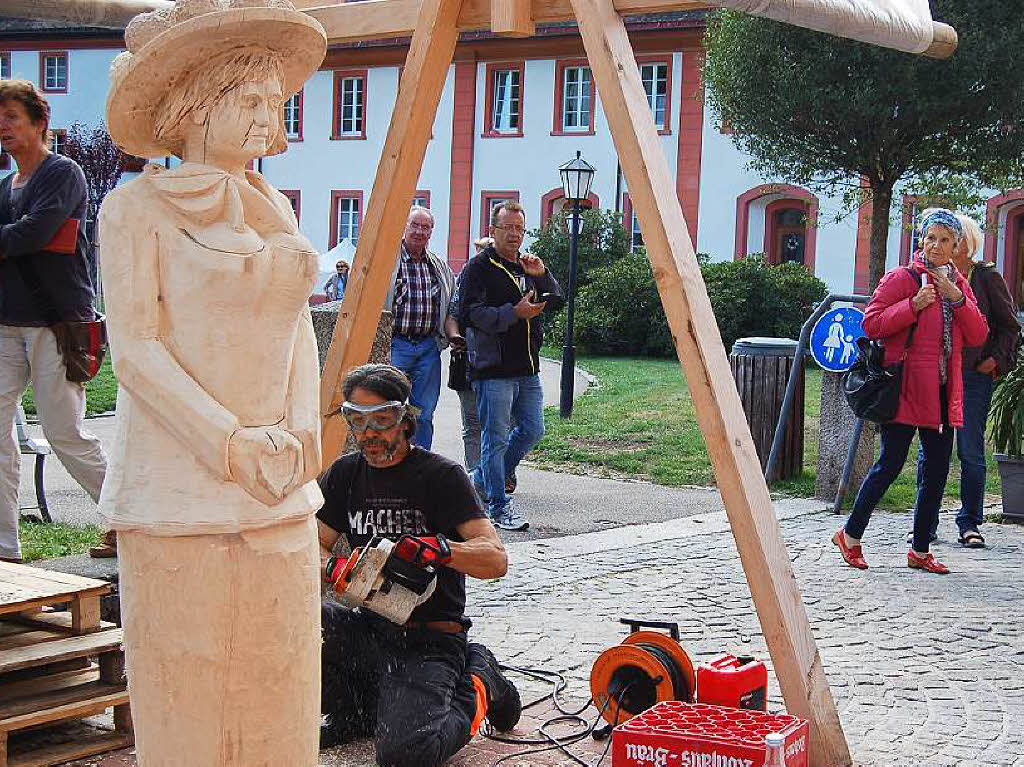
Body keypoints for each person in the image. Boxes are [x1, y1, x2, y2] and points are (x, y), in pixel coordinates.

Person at [100, 4, 327, 761]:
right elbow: (136, 351)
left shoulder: (276, 210)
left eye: (276, 103)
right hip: (176, 496)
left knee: (282, 687)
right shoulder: (132, 210)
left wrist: (301, 434)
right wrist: (227, 444)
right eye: (252, 101)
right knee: (188, 691)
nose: (270, 117)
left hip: (280, 495)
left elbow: (299, 328)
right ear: (197, 103)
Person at [318, 364, 521, 767]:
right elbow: (311, 544)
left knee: (404, 756)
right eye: (357, 420)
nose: (369, 433)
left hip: (429, 640)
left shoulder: (440, 477)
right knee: (296, 619)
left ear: (405, 420)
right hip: (371, 628)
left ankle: (479, 677)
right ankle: (353, 713)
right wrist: (332, 568)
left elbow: (495, 559)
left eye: (381, 419)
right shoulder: (345, 475)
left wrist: (440, 549)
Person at [833, 209, 988, 575]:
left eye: (945, 240)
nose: (936, 246)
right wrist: (911, 305)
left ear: (955, 247)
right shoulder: (901, 278)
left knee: (935, 472)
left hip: (941, 392)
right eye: (931, 238)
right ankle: (850, 535)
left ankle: (920, 550)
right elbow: (870, 323)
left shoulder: (959, 285)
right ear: (921, 239)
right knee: (889, 464)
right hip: (903, 389)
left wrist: (956, 298)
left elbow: (979, 335)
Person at [0, 79, 108, 563]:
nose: (3, 128)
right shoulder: (7, 186)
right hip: (7, 321)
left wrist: (27, 238)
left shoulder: (63, 173)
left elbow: (36, 232)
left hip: (55, 323)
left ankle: (129, 520)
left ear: (38, 122)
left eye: (11, 118)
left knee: (66, 432)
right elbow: (28, 238)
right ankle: (4, 548)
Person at [459, 202, 564, 530]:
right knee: (495, 437)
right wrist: (512, 314)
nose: (515, 235)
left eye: (520, 228)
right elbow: (470, 315)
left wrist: (543, 274)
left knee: (534, 429)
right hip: (493, 369)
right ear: (493, 231)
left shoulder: (526, 266)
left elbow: (557, 300)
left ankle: (481, 477)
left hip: (527, 366)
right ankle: (498, 506)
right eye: (508, 228)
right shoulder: (477, 269)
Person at [918, 213, 1021, 549]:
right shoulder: (928, 273)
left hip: (974, 375)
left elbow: (1009, 326)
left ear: (965, 243)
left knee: (970, 450)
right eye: (938, 238)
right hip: (937, 373)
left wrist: (995, 361)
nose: (943, 245)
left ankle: (970, 522)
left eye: (951, 238)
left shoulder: (986, 276)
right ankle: (925, 523)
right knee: (931, 452)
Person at [384, 206, 456, 450]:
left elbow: (450, 303)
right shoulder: (389, 262)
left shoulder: (438, 267)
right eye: (415, 225)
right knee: (389, 407)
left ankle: (421, 463)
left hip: (427, 347)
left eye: (425, 227)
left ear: (431, 232)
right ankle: (390, 459)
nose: (419, 231)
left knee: (422, 413)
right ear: (404, 227)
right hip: (396, 344)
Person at [444, 237, 493, 476]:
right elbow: (453, 315)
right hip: (467, 360)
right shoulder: (464, 280)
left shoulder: (508, 279)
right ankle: (475, 473)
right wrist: (454, 337)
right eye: (479, 253)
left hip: (498, 363)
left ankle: (501, 472)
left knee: (500, 423)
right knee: (472, 422)